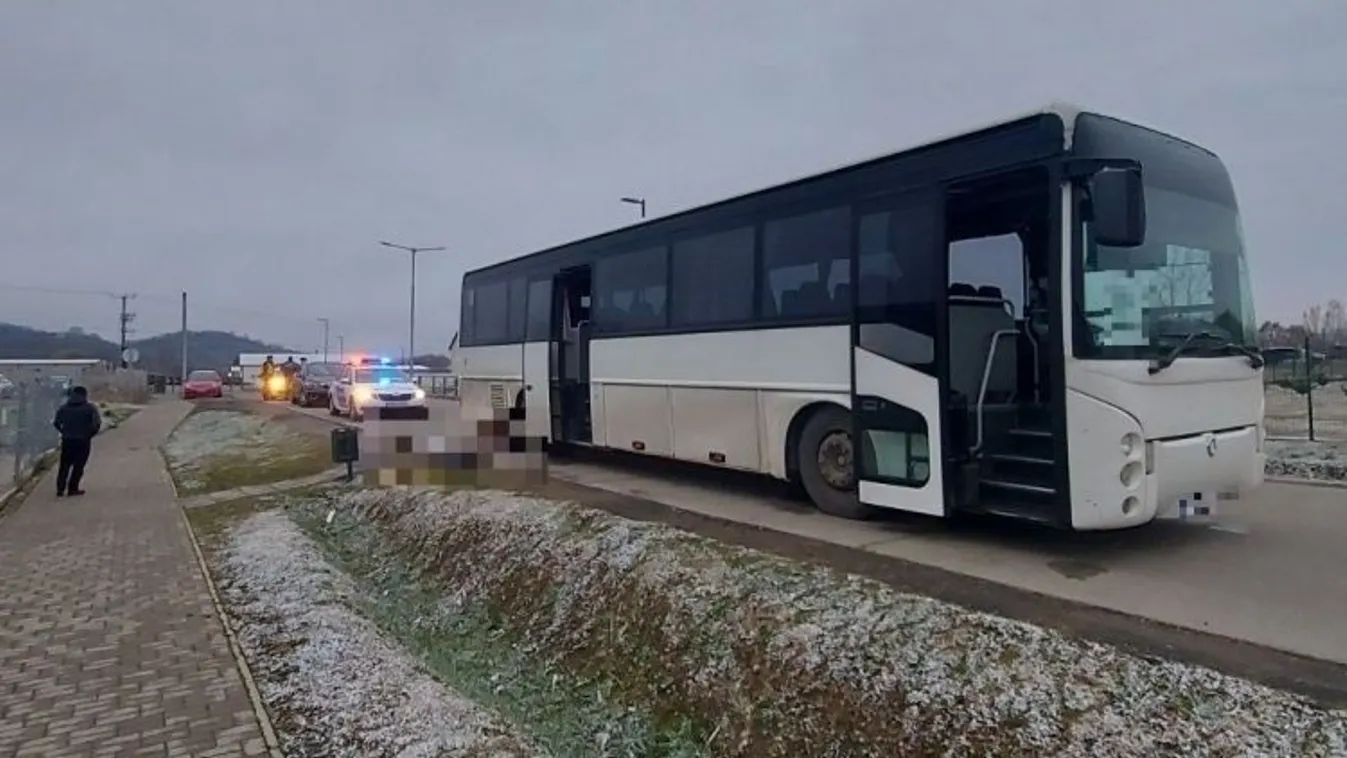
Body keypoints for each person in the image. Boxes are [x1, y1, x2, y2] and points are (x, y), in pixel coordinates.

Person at [52, 385, 102, 497]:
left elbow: (56, 422)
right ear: (84, 395)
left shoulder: (64, 408)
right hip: (83, 441)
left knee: (64, 465)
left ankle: (60, 489)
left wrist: (63, 431)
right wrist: (89, 434)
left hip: (67, 440)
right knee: (78, 466)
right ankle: (72, 489)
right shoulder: (90, 408)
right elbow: (97, 424)